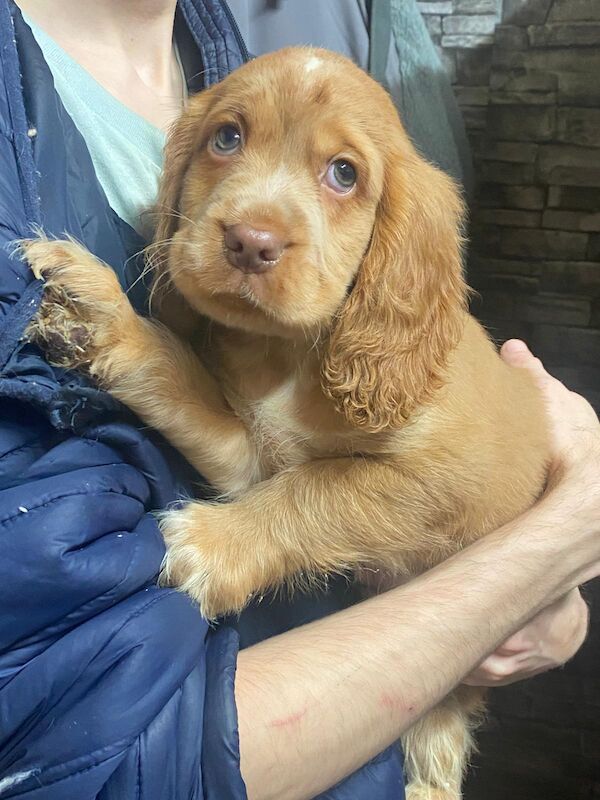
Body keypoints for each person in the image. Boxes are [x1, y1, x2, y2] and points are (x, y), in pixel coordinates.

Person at [0, 1, 595, 798]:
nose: (255, 226)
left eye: (341, 174)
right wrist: (548, 549)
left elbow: (345, 478)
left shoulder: (213, 39)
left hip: (399, 686)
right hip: (224, 729)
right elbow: (254, 459)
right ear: (179, 169)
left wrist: (545, 572)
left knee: (438, 749)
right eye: (228, 140)